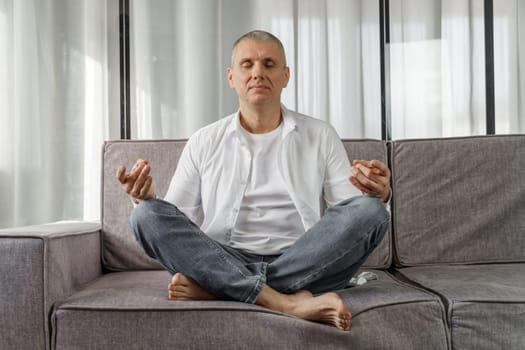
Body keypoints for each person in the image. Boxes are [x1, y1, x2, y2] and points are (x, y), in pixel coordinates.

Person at [116, 30, 390, 331]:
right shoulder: (204, 140)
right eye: (247, 64)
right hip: (224, 254)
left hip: (304, 257)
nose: (258, 72)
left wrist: (378, 192)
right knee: (146, 215)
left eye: (269, 64)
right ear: (231, 76)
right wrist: (147, 197)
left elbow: (348, 211)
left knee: (372, 211)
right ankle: (286, 301)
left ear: (286, 76)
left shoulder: (320, 134)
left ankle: (220, 288)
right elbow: (174, 218)